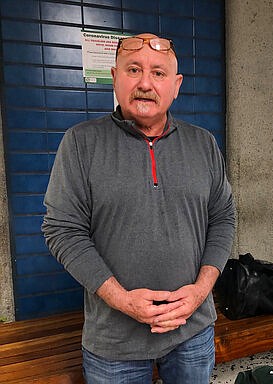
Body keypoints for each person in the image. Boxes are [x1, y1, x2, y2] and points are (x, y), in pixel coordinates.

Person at [42, 32, 236, 383]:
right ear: (115, 78)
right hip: (114, 343)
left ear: (175, 86)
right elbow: (62, 230)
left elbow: (223, 217)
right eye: (134, 70)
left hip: (192, 331)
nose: (146, 83)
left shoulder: (204, 143)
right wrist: (122, 300)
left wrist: (201, 290)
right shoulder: (81, 142)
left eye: (159, 74)